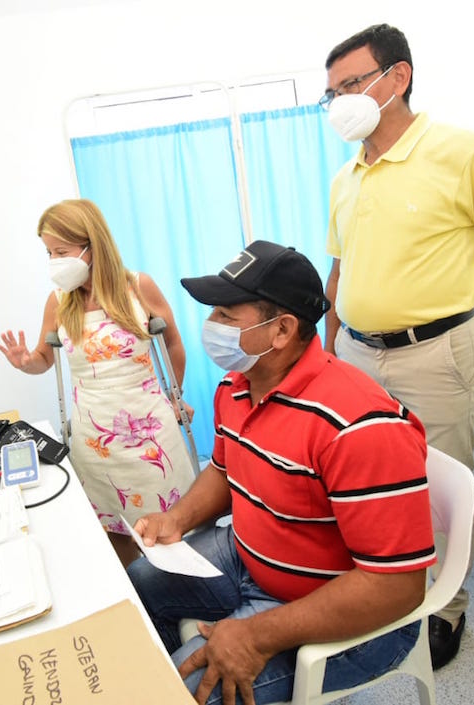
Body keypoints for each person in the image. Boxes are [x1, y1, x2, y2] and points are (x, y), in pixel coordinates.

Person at [319, 23, 474, 668]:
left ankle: (446, 607)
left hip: (437, 353)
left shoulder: (464, 151)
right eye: (330, 92)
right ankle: (381, 593)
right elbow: (339, 273)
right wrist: (331, 352)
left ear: (398, 78)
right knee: (371, 481)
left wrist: (458, 302)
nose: (340, 101)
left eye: (352, 84)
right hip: (359, 354)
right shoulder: (345, 180)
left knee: (443, 487)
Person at [127, 241, 436, 705]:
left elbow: (396, 586)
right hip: (251, 556)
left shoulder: (358, 425)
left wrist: (255, 636)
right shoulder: (237, 386)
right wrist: (179, 518)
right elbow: (225, 470)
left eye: (226, 316)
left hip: (353, 614)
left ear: (282, 330)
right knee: (139, 583)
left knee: (179, 694)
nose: (211, 327)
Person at [0, 198, 196, 565]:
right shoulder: (59, 302)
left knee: (167, 532)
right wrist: (26, 362)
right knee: (113, 531)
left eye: (62, 251)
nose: (54, 261)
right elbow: (45, 359)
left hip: (150, 434)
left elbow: (172, 343)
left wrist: (175, 395)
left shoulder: (137, 287)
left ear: (92, 246)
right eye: (48, 253)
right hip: (96, 440)